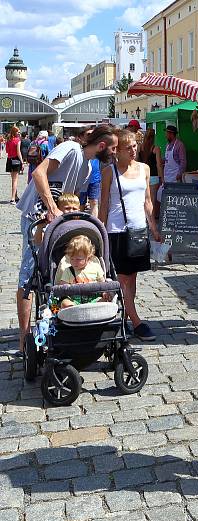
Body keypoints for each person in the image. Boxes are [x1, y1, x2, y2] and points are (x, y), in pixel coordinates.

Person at [16, 125, 118, 355]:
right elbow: (38, 173)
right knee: (30, 275)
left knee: (52, 273)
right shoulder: (71, 148)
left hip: (55, 223)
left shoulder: (86, 165)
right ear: (101, 146)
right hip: (37, 216)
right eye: (112, 149)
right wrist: (52, 209)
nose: (114, 153)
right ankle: (24, 338)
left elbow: (71, 197)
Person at [99, 128, 160, 342]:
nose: (133, 151)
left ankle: (123, 316)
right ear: (117, 152)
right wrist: (100, 232)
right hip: (116, 231)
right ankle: (136, 321)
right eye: (128, 148)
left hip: (138, 231)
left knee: (132, 279)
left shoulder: (144, 168)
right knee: (122, 280)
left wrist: (153, 226)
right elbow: (104, 204)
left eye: (135, 146)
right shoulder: (109, 172)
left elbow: (147, 201)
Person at [54, 235, 106, 308]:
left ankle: (91, 310)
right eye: (72, 259)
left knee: (103, 300)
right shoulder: (68, 271)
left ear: (88, 257)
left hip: (93, 299)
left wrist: (104, 293)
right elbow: (63, 287)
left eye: (78, 259)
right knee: (65, 303)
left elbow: (103, 284)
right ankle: (76, 312)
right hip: (74, 301)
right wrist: (64, 288)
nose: (74, 262)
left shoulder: (96, 267)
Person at [138, 128, 164, 219]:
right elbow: (159, 165)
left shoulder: (140, 147)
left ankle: (144, 218)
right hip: (154, 176)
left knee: (143, 199)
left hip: (142, 176)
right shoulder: (156, 149)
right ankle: (151, 220)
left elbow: (137, 161)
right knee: (152, 200)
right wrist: (162, 178)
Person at [160, 125, 186, 202]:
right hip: (167, 176)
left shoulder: (179, 145)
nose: (165, 135)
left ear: (171, 134)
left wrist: (180, 174)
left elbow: (183, 161)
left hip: (175, 177)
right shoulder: (168, 145)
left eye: (166, 133)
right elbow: (167, 158)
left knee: (175, 199)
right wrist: (161, 160)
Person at [6, 126, 22, 205]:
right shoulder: (17, 140)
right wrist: (22, 161)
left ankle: (15, 196)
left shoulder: (8, 140)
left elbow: (6, 151)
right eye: (18, 132)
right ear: (14, 132)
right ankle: (12, 198)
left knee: (13, 179)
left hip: (9, 160)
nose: (19, 133)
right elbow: (18, 153)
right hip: (16, 160)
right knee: (15, 180)